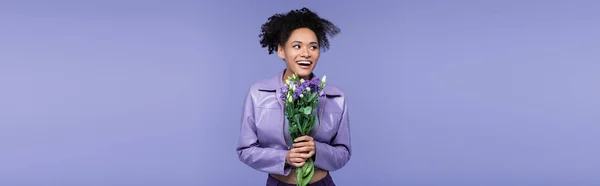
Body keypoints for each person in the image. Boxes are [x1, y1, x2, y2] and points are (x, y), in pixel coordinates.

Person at [236, 7, 351, 186]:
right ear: (281, 50)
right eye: (297, 46)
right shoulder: (258, 93)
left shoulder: (336, 97)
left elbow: (343, 153)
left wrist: (317, 150)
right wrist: (285, 158)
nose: (306, 53)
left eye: (313, 46)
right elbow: (245, 150)